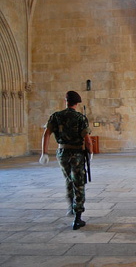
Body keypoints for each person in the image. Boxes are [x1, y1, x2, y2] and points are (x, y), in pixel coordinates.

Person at [39, 91, 93, 230]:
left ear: (66, 101)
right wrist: (90, 152)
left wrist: (44, 153)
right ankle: (78, 217)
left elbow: (46, 134)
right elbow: (87, 139)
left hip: (62, 153)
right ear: (77, 103)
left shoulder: (56, 116)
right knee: (78, 182)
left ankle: (71, 206)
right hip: (76, 153)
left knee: (69, 179)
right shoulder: (80, 117)